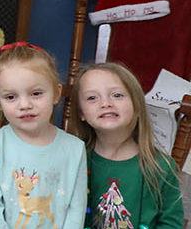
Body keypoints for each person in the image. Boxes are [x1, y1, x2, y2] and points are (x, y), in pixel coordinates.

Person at [0, 43, 86, 229]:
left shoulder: (75, 148)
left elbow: (76, 211)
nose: (24, 104)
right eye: (11, 97)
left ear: (57, 93)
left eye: (36, 93)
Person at [73, 62, 184, 229]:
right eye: (92, 98)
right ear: (81, 112)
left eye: (117, 95)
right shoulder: (74, 161)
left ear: (137, 105)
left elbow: (171, 223)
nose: (106, 103)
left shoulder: (161, 166)